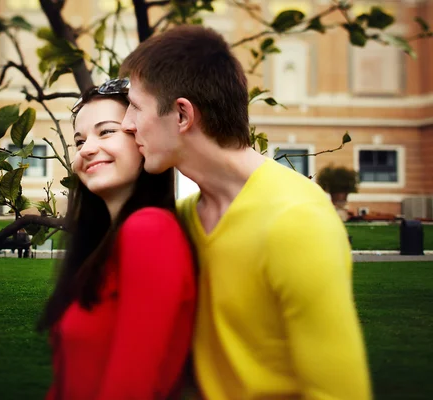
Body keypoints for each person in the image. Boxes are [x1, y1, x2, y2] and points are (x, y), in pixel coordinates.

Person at [119, 25, 372, 400]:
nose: (126, 123)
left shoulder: (297, 221)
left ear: (183, 115)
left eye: (136, 107)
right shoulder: (182, 220)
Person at [38, 79, 197, 400]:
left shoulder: (150, 231)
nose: (86, 148)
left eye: (106, 131)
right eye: (79, 140)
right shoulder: (105, 245)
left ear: (144, 139)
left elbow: (131, 387)